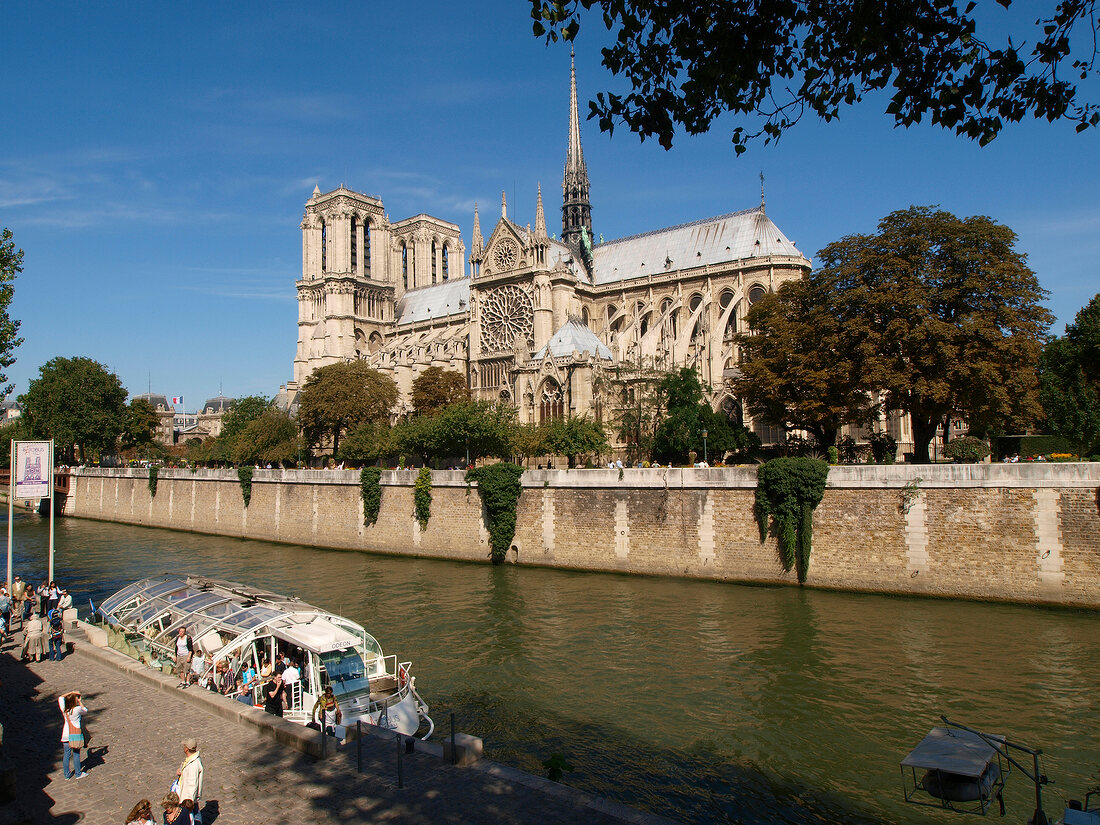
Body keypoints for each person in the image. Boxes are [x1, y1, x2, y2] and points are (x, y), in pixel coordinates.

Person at [59, 691, 88, 779]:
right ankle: (78, 773)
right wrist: (80, 701)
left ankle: (67, 775)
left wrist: (70, 693)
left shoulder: (64, 709)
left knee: (66, 754)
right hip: (75, 735)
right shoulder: (77, 709)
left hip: (65, 735)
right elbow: (85, 711)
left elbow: (60, 697)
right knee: (76, 754)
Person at [176, 738, 204, 823]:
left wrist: (188, 803)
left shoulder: (193, 765)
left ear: (186, 749)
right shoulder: (190, 759)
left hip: (188, 799)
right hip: (188, 797)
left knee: (191, 817)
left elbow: (193, 784)